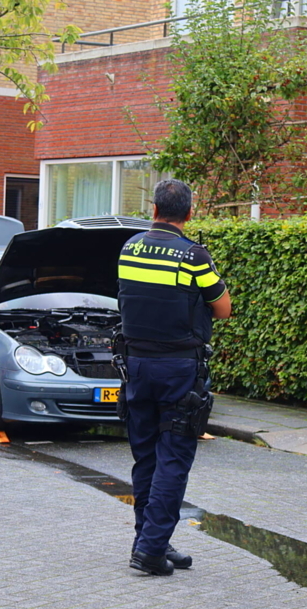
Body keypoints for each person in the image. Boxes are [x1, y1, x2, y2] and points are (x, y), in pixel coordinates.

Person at [118, 179, 231, 576]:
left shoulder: (129, 247)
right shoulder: (193, 255)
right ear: (189, 213)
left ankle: (151, 539)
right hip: (178, 370)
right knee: (173, 458)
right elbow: (223, 308)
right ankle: (149, 551)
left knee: (146, 457)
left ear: (153, 210)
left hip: (136, 367)